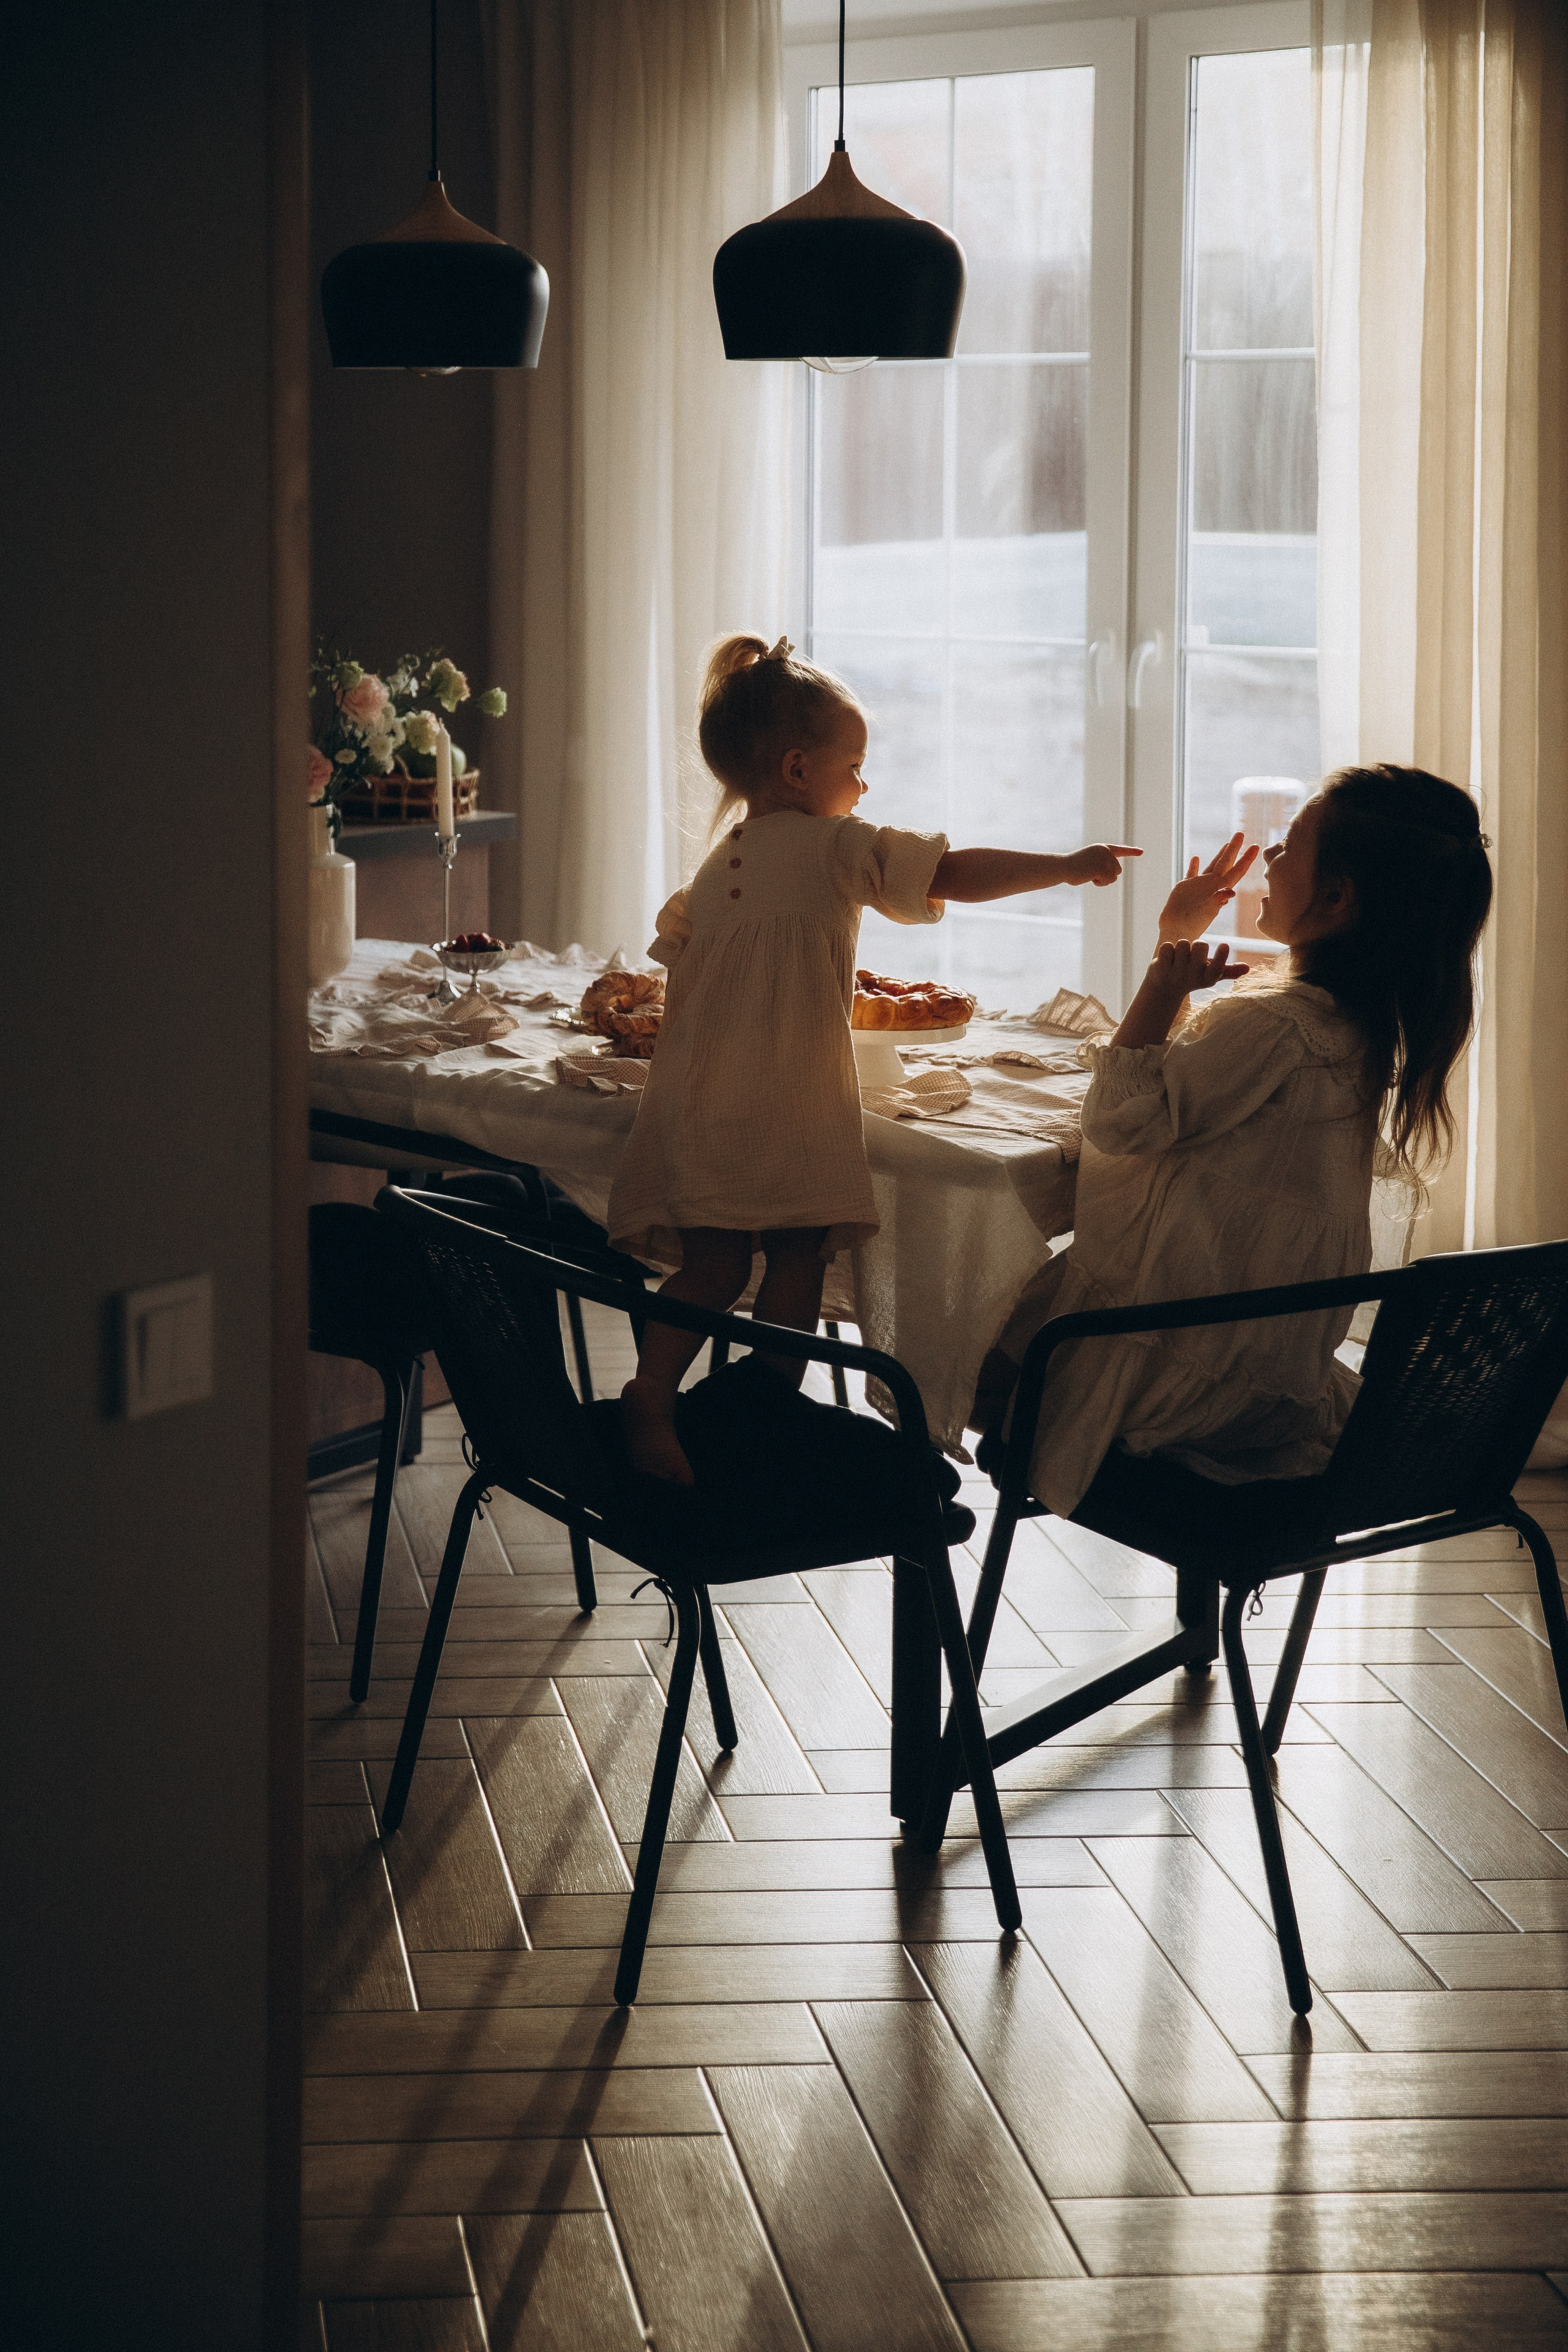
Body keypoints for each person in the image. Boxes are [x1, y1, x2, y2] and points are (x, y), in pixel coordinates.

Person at [607, 631, 1141, 1483]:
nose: (864, 784)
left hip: (699, 1100)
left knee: (713, 1265)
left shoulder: (719, 866)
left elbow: (682, 962)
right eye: (854, 765)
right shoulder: (834, 847)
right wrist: (1066, 868)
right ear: (796, 770)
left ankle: (652, 1390)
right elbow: (952, 873)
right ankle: (770, 1407)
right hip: (790, 1098)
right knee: (798, 1254)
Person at [973, 764, 1494, 1515]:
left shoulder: (1274, 1022)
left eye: (1289, 849)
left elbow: (1122, 1122)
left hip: (1173, 1382)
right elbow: (1188, 1100)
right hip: (1265, 1372)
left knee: (950, 1355)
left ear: (1339, 897)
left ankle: (901, 1526)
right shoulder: (1351, 1026)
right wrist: (1174, 939)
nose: (1272, 862)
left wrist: (1162, 979)